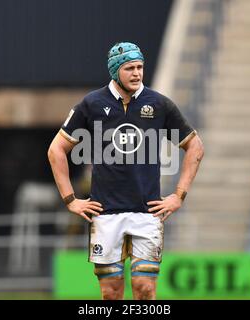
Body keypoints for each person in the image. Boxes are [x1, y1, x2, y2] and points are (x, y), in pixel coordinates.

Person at [48, 42, 204, 300]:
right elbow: (56, 151)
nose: (137, 73)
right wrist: (70, 200)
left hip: (147, 213)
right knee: (111, 293)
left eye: (140, 67)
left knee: (145, 288)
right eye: (130, 68)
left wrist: (179, 195)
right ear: (114, 70)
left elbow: (195, 147)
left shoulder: (160, 104)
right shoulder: (92, 104)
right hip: (106, 214)